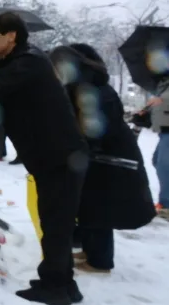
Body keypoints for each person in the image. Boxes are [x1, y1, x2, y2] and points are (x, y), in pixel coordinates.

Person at [0, 12, 89, 305]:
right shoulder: (21, 62)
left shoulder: (29, 63)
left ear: (11, 36)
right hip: (54, 156)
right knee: (56, 223)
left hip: (59, 158)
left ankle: (56, 288)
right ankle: (63, 283)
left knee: (56, 225)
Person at [50, 44, 155, 273]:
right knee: (89, 206)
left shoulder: (91, 88)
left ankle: (100, 261)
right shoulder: (87, 84)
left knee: (98, 208)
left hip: (107, 159)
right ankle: (91, 251)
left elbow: (94, 129)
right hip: (100, 157)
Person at [133, 77, 169, 218]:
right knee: (157, 161)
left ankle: (166, 204)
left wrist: (162, 101)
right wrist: (146, 114)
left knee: (164, 165)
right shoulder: (162, 85)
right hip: (164, 130)